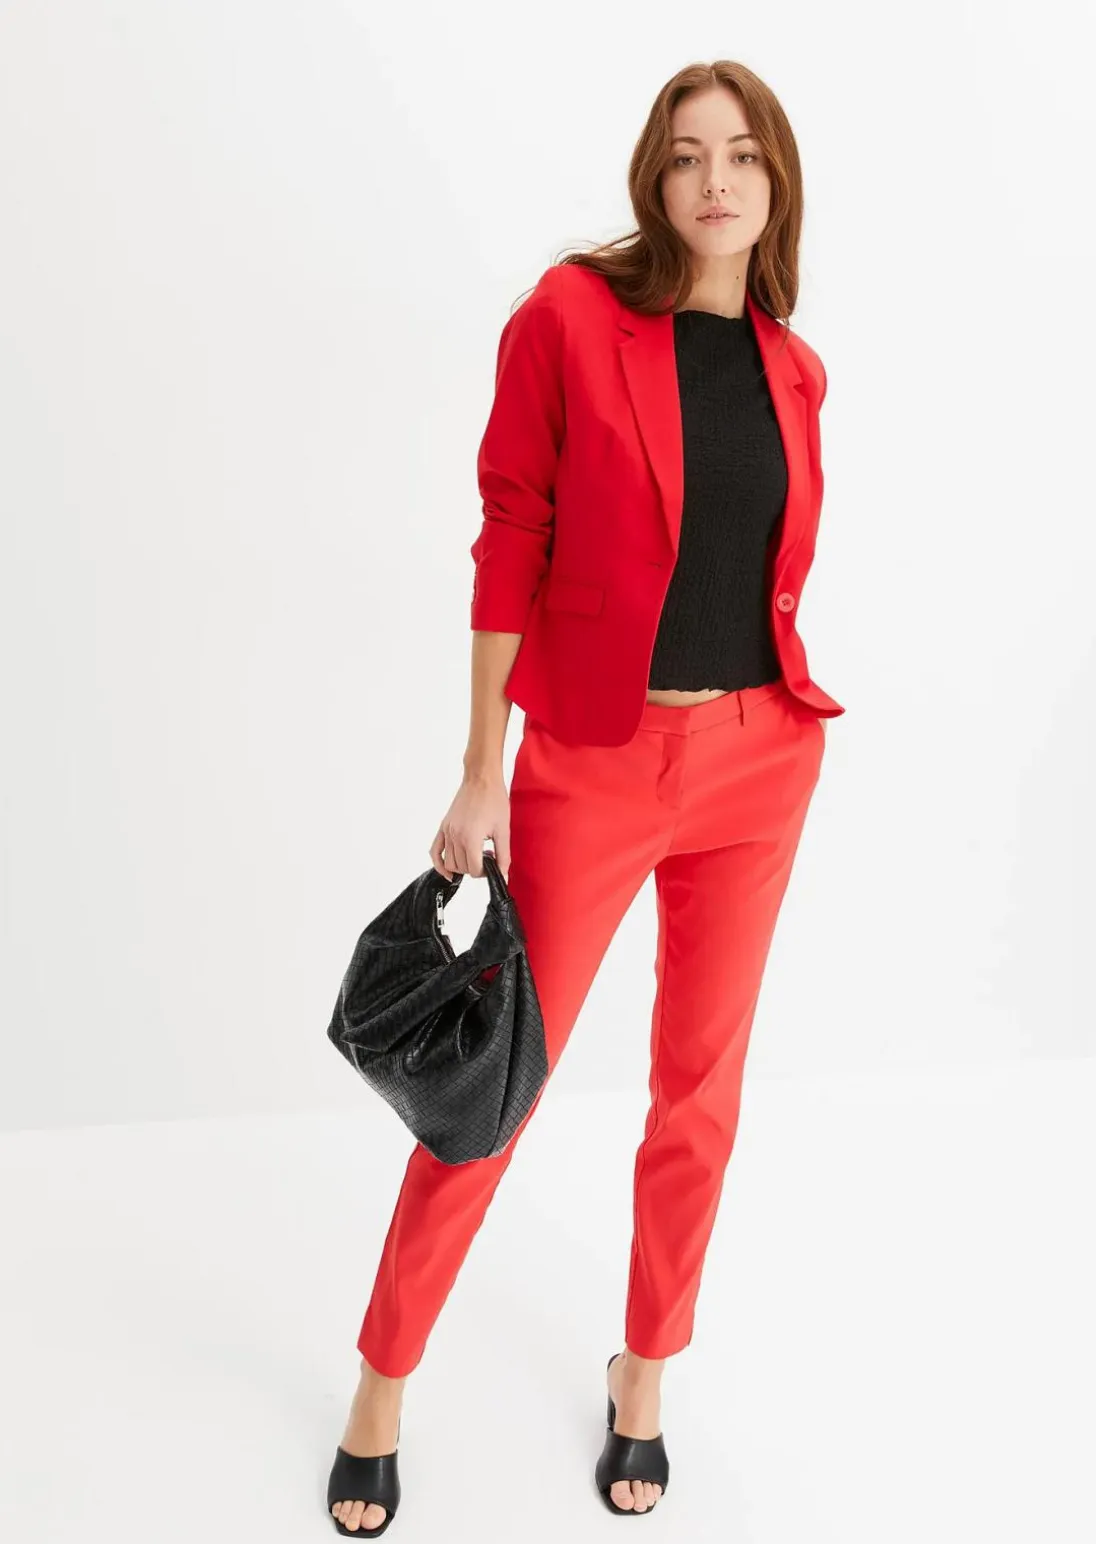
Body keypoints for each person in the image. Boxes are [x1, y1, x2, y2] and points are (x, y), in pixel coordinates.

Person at [326, 57, 845, 1536]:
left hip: (759, 760)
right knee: (492, 1089)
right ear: (653, 178)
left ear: (776, 180)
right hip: (596, 766)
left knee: (700, 1096)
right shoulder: (568, 319)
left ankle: (645, 1375)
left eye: (741, 156)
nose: (714, 182)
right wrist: (480, 766)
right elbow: (511, 536)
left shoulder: (794, 368)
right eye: (686, 156)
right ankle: (381, 1382)